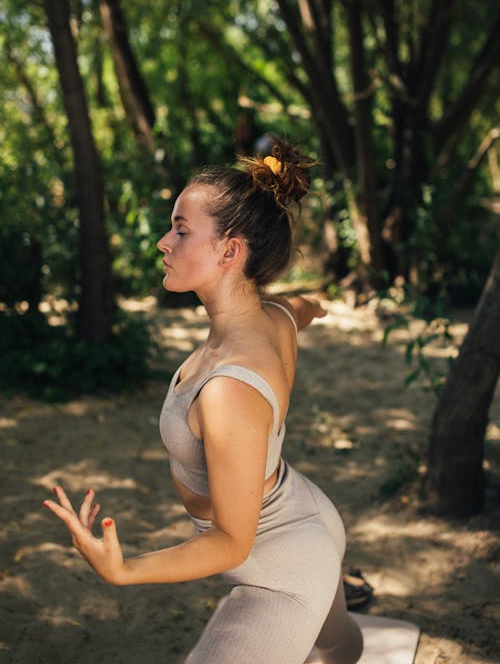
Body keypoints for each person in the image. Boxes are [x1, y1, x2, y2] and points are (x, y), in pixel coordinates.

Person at [42, 137, 364, 664]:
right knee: (335, 643)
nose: (164, 242)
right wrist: (318, 306)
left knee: (330, 643)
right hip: (311, 515)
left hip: (281, 570)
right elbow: (300, 308)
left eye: (181, 230)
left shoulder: (229, 389)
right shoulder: (274, 318)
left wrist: (126, 570)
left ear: (230, 251)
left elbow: (232, 542)